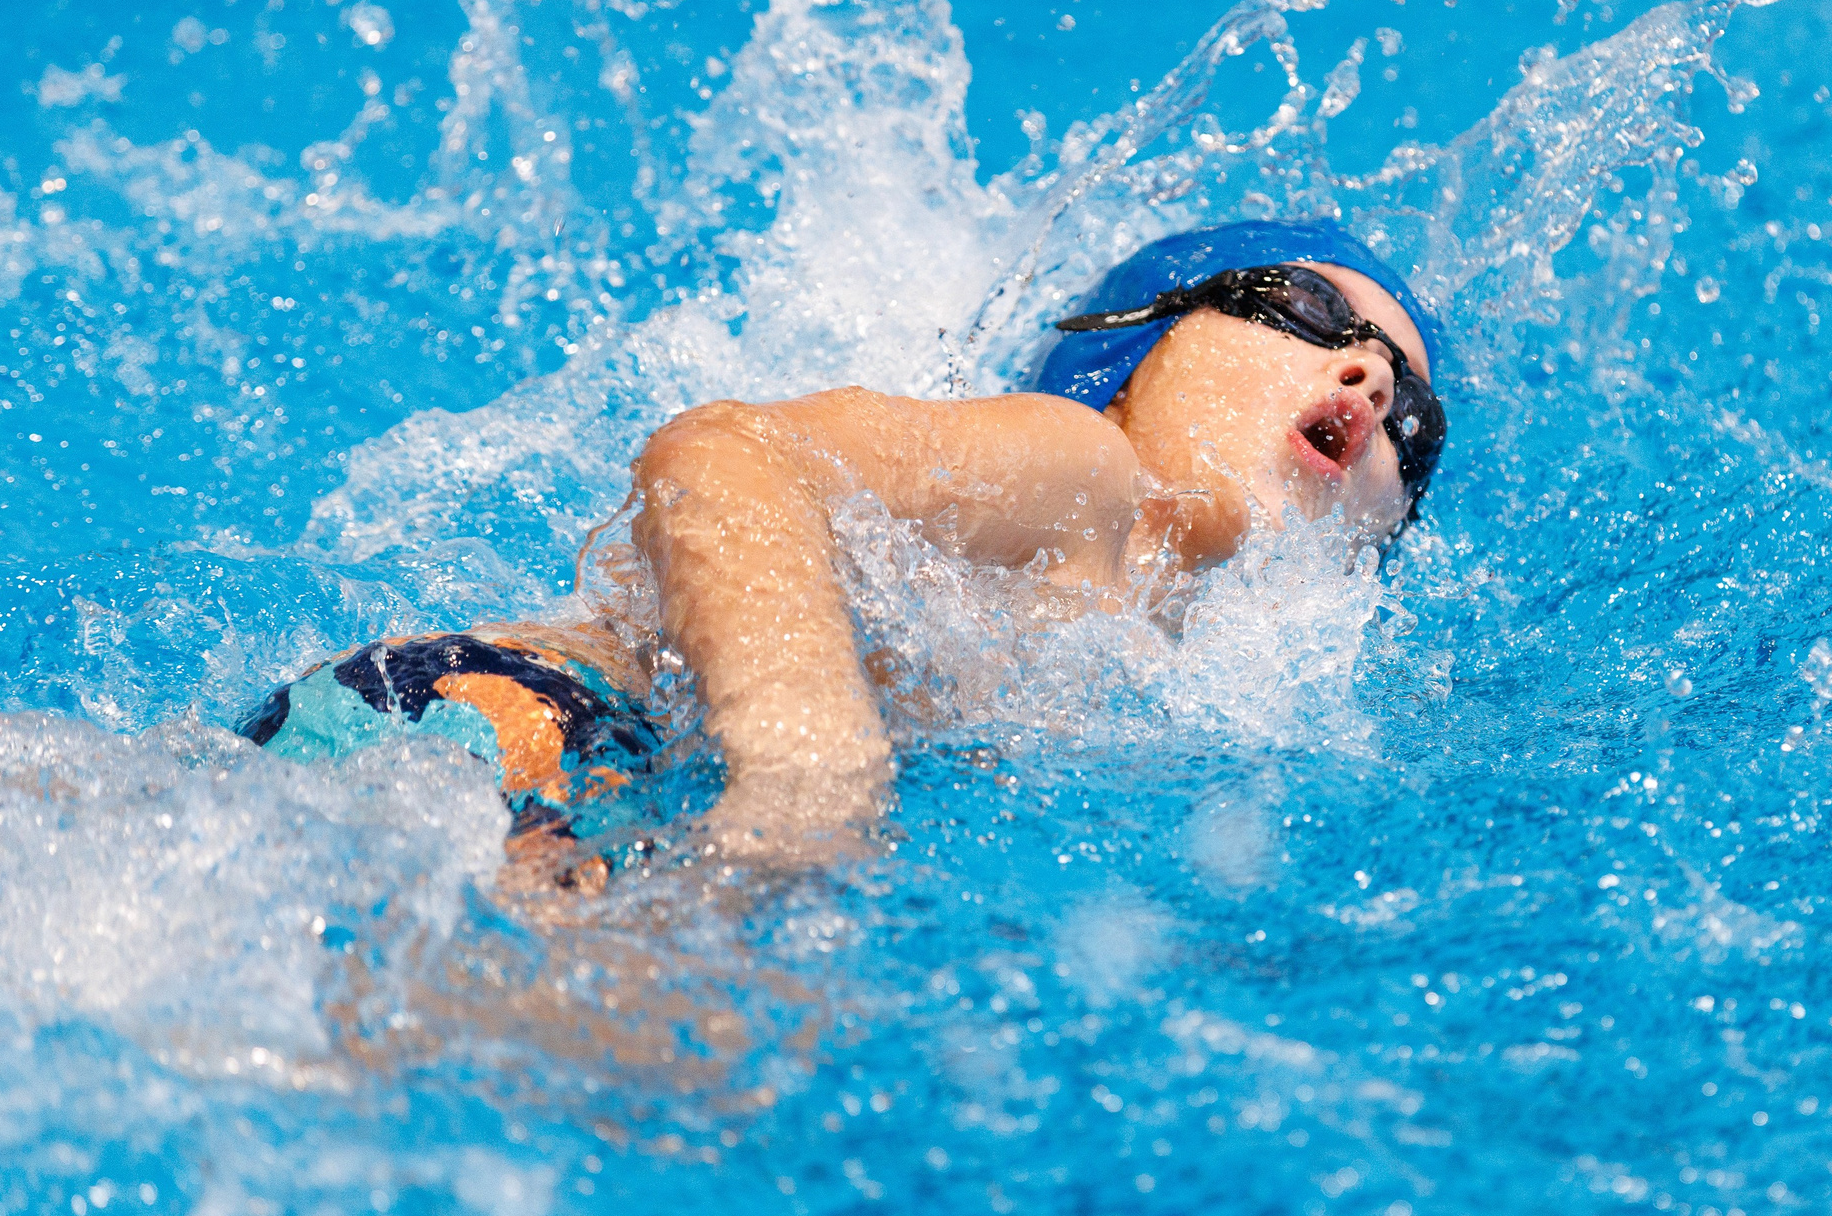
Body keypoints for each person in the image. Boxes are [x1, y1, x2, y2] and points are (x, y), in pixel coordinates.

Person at [238, 220, 1449, 878]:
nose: (1367, 373)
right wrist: (810, 777)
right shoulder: (1089, 474)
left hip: (545, 765)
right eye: (1301, 311)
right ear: (1129, 346)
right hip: (521, 715)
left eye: (1415, 426)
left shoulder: (1175, 669)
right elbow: (723, 458)